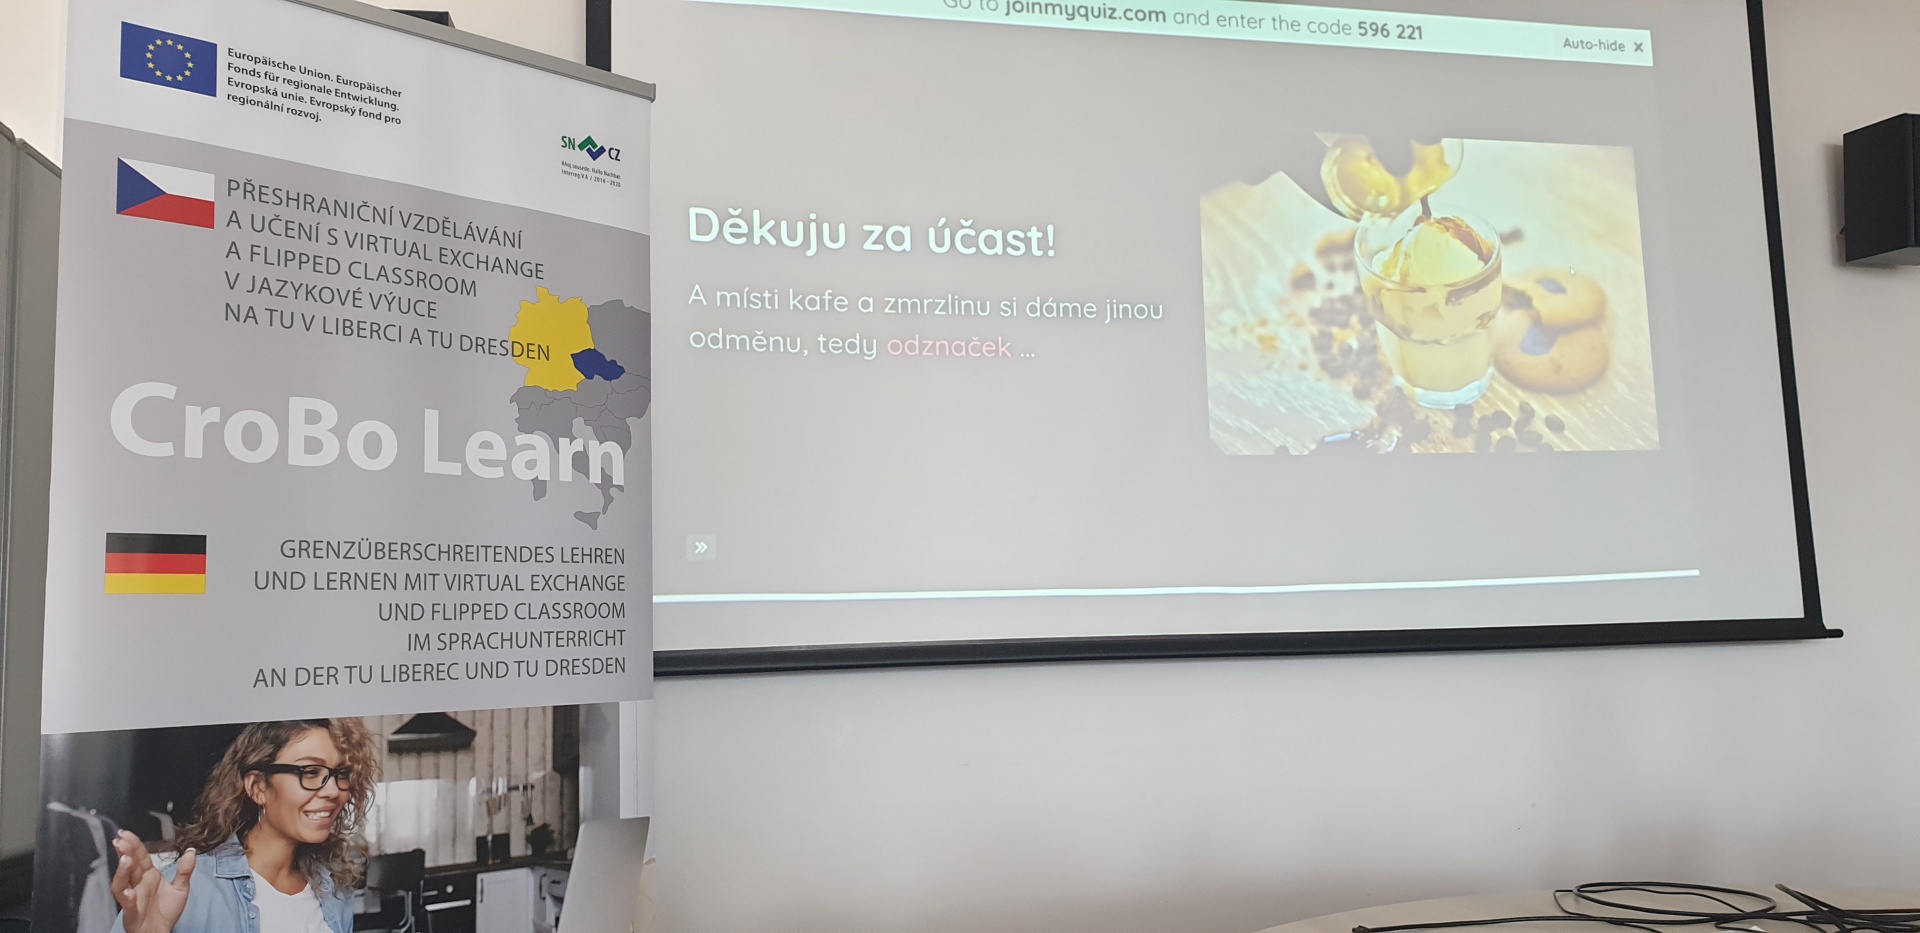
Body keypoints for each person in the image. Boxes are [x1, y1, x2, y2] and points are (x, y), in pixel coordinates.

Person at [108, 719, 380, 933]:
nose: (333, 791)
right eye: (310, 772)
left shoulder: (334, 890)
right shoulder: (188, 888)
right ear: (258, 787)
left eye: (341, 774)